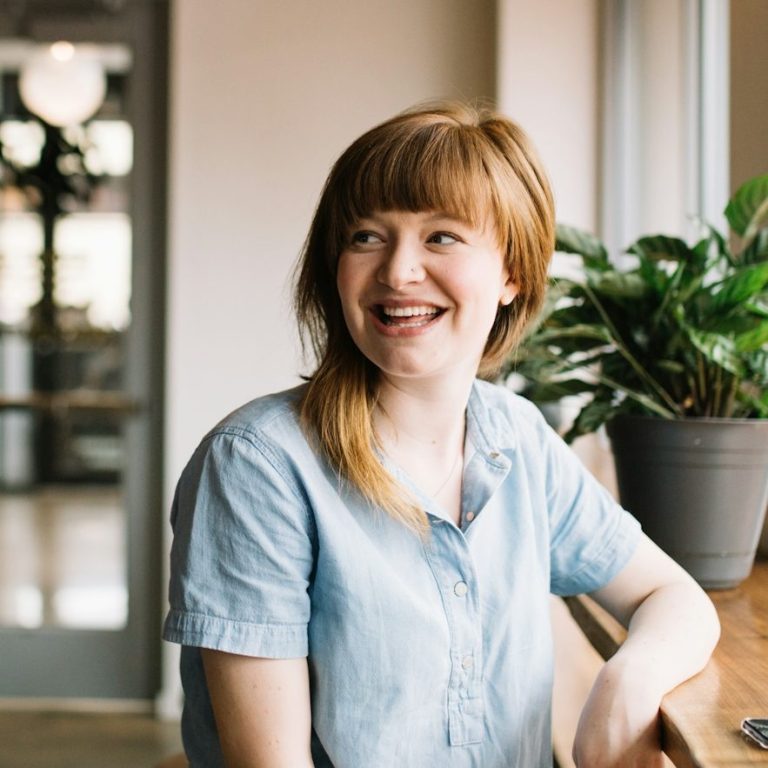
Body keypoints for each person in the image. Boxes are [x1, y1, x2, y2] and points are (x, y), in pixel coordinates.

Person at [163, 102, 720, 768]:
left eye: (442, 237)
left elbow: (674, 596)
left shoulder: (516, 437)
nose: (398, 272)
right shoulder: (258, 464)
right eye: (366, 236)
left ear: (512, 272)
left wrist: (628, 682)